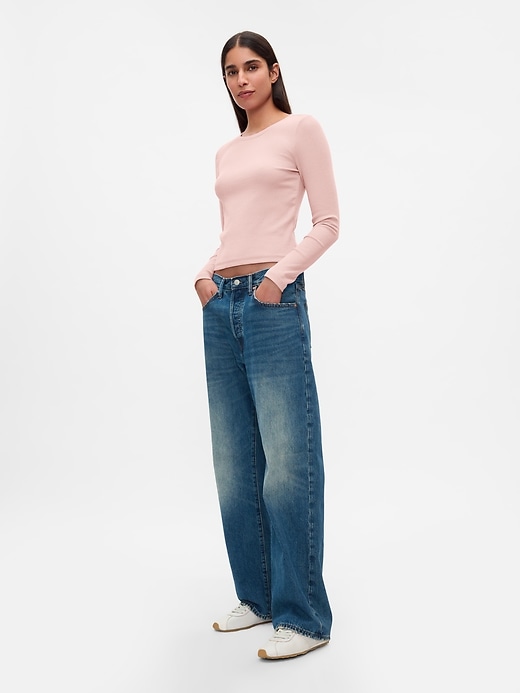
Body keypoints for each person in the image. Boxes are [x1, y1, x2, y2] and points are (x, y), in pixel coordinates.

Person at [194, 30, 340, 660]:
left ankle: (303, 618)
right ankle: (257, 597)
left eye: (251, 67)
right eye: (231, 72)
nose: (241, 80)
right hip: (221, 304)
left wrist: (277, 280)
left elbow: (328, 223)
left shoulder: (301, 130)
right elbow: (235, 232)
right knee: (234, 464)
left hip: (271, 304)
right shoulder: (227, 152)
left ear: (274, 72)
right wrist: (205, 275)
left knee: (287, 463)